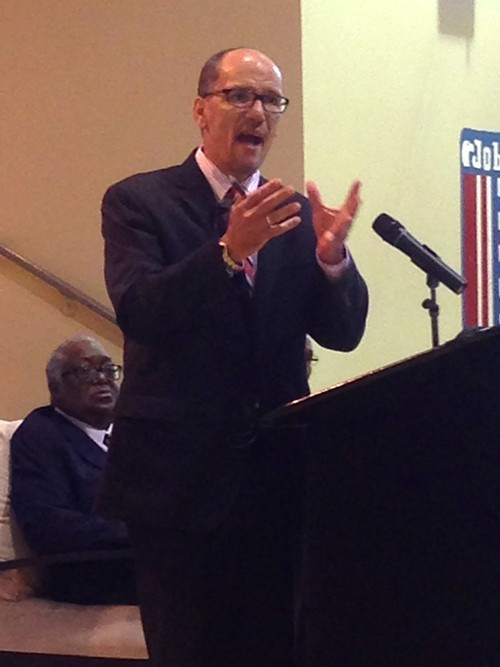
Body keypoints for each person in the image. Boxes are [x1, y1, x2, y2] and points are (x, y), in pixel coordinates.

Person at [99, 47, 368, 666]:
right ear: (201, 110)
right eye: (241, 96)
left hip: (277, 481)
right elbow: (141, 309)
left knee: (276, 648)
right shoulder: (140, 201)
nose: (260, 113)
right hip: (178, 486)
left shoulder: (294, 217)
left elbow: (344, 334)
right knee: (190, 650)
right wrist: (225, 251)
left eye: (272, 100)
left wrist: (332, 261)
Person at [10, 335, 136, 605]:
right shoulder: (40, 434)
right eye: (84, 370)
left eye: (108, 369)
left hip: (157, 558)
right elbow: (46, 524)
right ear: (54, 387)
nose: (101, 378)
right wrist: (136, 533)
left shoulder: (133, 433)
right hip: (94, 570)